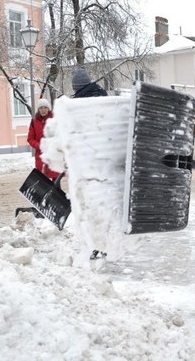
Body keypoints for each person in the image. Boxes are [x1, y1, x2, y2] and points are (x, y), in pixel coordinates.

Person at [71, 68, 107, 259]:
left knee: (92, 205)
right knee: (104, 204)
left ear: (76, 87)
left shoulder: (78, 104)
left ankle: (96, 244)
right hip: (106, 158)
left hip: (88, 160)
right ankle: (105, 244)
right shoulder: (104, 96)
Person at [28, 98, 61, 182]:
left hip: (53, 156)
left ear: (48, 108)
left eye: (45, 107)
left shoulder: (55, 120)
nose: (43, 110)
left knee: (56, 184)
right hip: (41, 157)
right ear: (38, 109)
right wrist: (39, 145)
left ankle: (56, 196)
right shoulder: (34, 122)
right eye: (41, 108)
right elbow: (30, 138)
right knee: (43, 184)